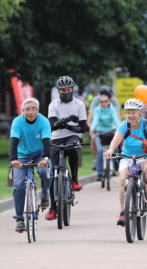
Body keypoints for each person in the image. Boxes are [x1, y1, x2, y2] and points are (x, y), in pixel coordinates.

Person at [103, 98, 147, 226]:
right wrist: (111, 149)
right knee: (123, 180)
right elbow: (117, 138)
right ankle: (123, 211)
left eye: (133, 112)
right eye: (128, 112)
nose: (130, 115)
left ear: (140, 112)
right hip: (127, 157)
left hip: (146, 156)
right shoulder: (124, 125)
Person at [45, 76, 87, 220]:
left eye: (68, 90)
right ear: (58, 91)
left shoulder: (79, 105)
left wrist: (65, 125)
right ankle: (53, 207)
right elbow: (51, 125)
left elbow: (82, 127)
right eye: (63, 90)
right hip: (56, 138)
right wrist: (68, 120)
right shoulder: (53, 105)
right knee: (51, 173)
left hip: (72, 136)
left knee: (73, 148)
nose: (66, 92)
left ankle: (74, 179)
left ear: (72, 89)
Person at [9, 98, 52, 233]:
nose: (30, 112)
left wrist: (45, 158)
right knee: (18, 184)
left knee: (45, 172)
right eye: (27, 109)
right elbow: (13, 142)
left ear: (38, 110)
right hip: (22, 156)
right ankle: (20, 219)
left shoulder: (44, 121)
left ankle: (45, 195)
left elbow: (46, 141)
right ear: (23, 111)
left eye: (33, 109)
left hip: (40, 154)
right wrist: (14, 159)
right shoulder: (17, 122)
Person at [87, 86, 121, 170]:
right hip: (99, 127)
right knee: (93, 138)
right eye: (109, 97)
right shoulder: (96, 101)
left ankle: (116, 160)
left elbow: (117, 115)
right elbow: (92, 114)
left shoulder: (113, 102)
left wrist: (120, 127)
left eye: (109, 98)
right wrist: (89, 126)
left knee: (117, 138)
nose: (110, 98)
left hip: (111, 126)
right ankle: (95, 160)